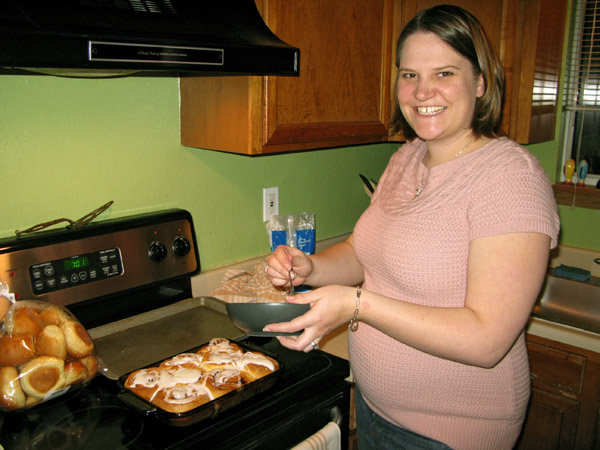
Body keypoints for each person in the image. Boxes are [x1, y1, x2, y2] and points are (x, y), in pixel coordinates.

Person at [264, 4, 560, 450]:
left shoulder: (510, 178)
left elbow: (486, 340)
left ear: (480, 82)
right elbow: (363, 252)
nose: (423, 91)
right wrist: (311, 267)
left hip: (451, 430)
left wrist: (358, 304)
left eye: (444, 73)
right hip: (376, 407)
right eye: (409, 74)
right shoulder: (408, 157)